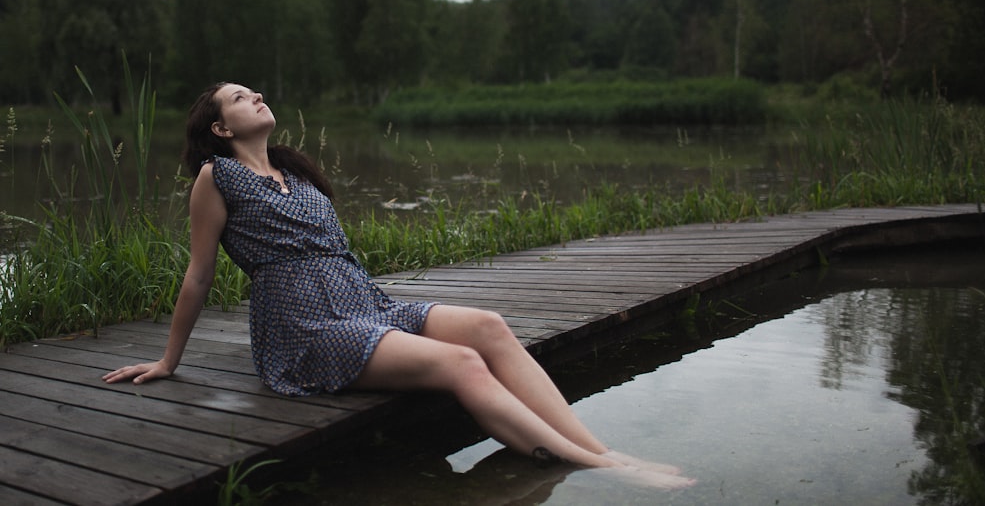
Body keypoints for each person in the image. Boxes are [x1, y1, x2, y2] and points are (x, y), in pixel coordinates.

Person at [103, 83, 695, 490]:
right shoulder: (215, 176)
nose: (255, 95)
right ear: (219, 125)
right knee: (461, 363)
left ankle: (596, 446)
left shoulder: (294, 173)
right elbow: (199, 273)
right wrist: (168, 360)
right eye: (239, 96)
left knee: (488, 326)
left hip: (363, 301)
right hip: (304, 327)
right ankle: (602, 467)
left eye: (253, 90)